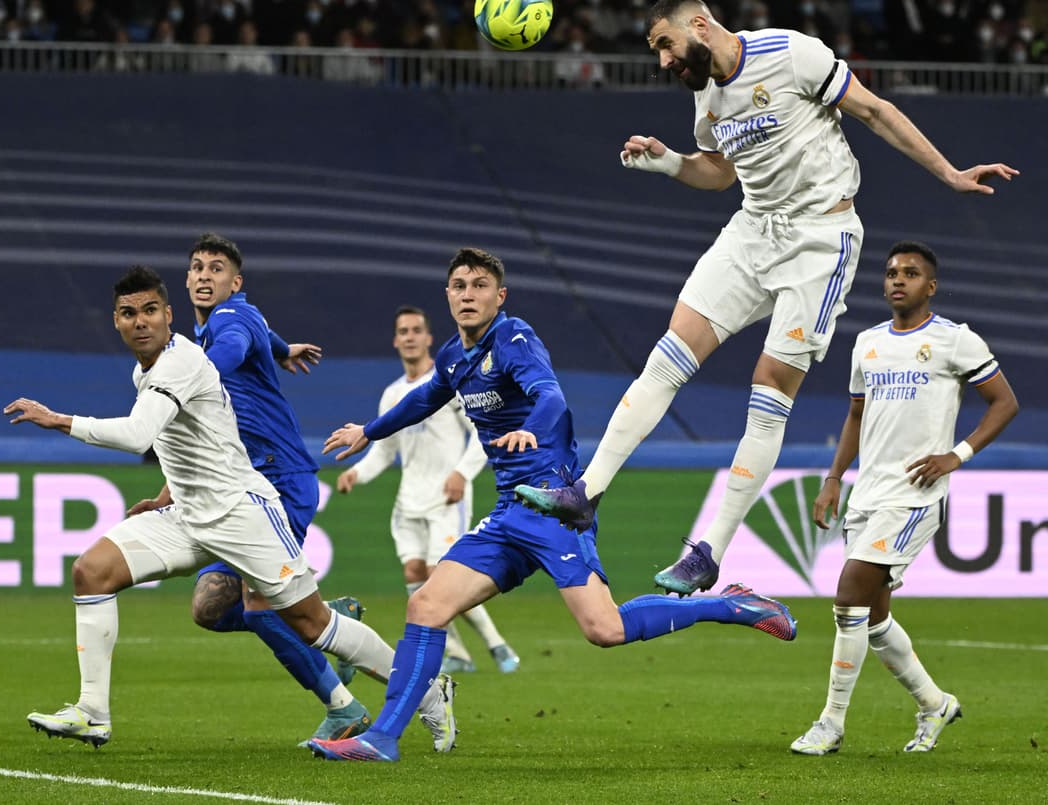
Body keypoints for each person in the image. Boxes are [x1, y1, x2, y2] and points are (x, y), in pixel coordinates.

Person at [514, 0, 1019, 597]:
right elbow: (721, 172)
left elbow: (876, 112)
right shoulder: (706, 97)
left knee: (769, 387)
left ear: (699, 25)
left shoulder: (790, 53)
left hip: (820, 240)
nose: (664, 63)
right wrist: (670, 162)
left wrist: (950, 173)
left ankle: (710, 552)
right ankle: (586, 493)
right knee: (670, 353)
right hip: (753, 231)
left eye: (665, 46)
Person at [309, 247, 797, 763]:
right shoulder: (453, 354)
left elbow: (550, 398)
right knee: (426, 605)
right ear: (447, 295)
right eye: (458, 286)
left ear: (500, 296)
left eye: (479, 286)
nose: (468, 294)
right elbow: (427, 396)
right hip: (506, 512)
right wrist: (369, 430)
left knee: (604, 630)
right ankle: (382, 738)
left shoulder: (514, 338)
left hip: (553, 506)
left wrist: (530, 430)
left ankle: (733, 605)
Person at [6, 265, 456, 752]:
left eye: (150, 311)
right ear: (116, 321)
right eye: (128, 313)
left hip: (243, 514)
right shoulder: (146, 370)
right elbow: (184, 439)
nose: (140, 322)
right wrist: (166, 494)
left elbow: (139, 434)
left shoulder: (182, 361)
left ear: (169, 315)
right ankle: (92, 711)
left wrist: (60, 420)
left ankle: (428, 692)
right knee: (92, 571)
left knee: (313, 624)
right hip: (189, 517)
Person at [123, 233, 371, 744]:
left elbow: (230, 351)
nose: (204, 275)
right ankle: (326, 623)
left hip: (278, 482)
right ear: (185, 281)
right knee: (211, 609)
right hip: (237, 487)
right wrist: (283, 351)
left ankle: (343, 704)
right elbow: (259, 345)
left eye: (217, 269)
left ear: (235, 284)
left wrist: (192, 377)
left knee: (260, 607)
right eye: (196, 267)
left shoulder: (224, 330)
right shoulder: (235, 321)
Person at [790, 241, 1018, 756]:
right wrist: (833, 479)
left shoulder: (954, 340)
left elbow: (1004, 402)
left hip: (915, 495)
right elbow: (855, 416)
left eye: (911, 273)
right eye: (892, 272)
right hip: (868, 492)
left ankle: (831, 723)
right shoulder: (867, 343)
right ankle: (935, 704)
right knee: (871, 618)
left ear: (929, 286)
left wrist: (956, 455)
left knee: (848, 596)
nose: (898, 279)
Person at [336, 304, 520, 675]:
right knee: (416, 578)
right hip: (410, 501)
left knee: (442, 576)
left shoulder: (450, 382)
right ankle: (458, 654)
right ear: (395, 340)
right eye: (403, 331)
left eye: (416, 330)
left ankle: (497, 645)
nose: (409, 337)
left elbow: (478, 434)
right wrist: (357, 473)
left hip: (446, 497)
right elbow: (385, 450)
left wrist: (462, 474)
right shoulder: (391, 395)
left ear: (428, 338)